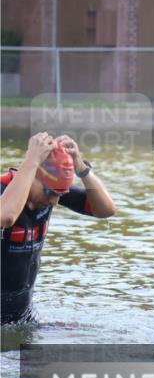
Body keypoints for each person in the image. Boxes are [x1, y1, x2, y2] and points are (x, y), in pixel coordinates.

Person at [1, 132, 117, 324]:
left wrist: (82, 168)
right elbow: (6, 217)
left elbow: (106, 209)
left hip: (21, 317)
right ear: (33, 176)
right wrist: (31, 160)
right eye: (51, 193)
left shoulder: (50, 195)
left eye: (60, 194)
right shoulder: (3, 189)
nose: (54, 202)